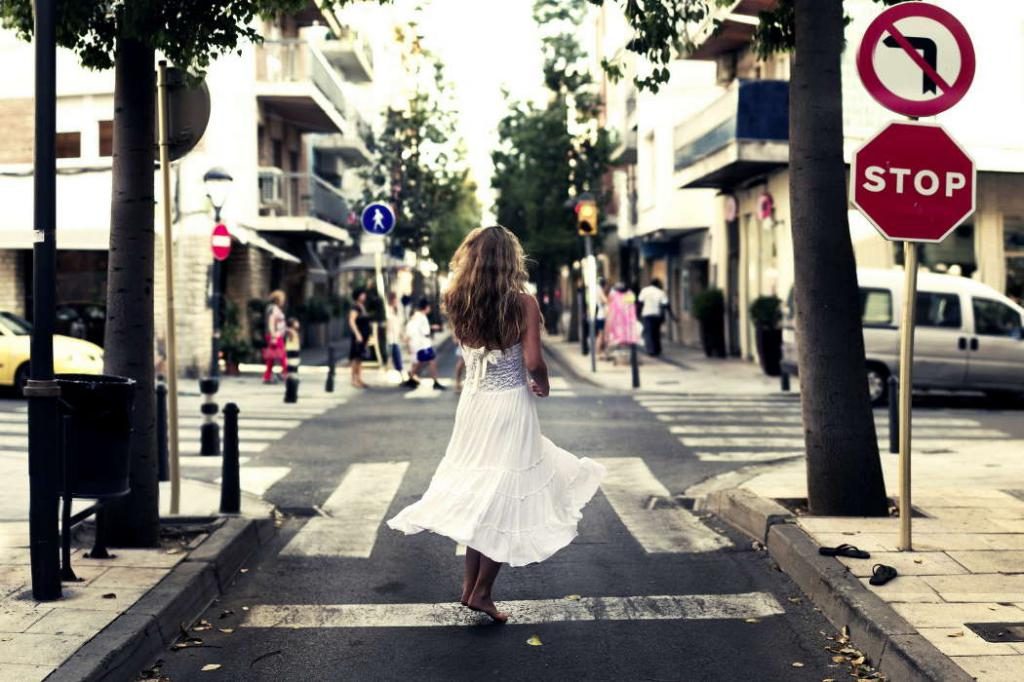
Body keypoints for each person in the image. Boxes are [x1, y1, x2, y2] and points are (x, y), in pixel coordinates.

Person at [387, 225, 606, 623]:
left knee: (486, 489)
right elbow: (535, 362)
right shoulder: (522, 303)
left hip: (473, 404)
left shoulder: (457, 299)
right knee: (506, 492)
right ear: (511, 259)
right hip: (509, 405)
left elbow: (469, 354)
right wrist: (542, 383)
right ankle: (483, 591)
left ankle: (470, 588)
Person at [403, 298, 445, 390]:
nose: (429, 309)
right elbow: (425, 332)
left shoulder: (415, 317)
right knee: (431, 361)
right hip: (424, 345)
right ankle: (435, 382)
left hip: (417, 344)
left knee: (420, 362)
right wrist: (433, 328)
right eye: (429, 307)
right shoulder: (423, 318)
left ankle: (411, 377)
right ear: (426, 307)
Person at [638, 278, 672, 356]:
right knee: (656, 332)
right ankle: (657, 349)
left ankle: (651, 350)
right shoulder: (660, 292)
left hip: (646, 314)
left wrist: (638, 313)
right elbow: (666, 304)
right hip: (656, 314)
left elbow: (640, 302)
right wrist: (672, 316)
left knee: (648, 332)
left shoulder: (644, 290)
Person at [385, 292, 412, 383]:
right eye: (395, 299)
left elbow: (399, 326)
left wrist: (402, 336)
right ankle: (398, 375)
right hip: (390, 338)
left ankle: (400, 375)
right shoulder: (387, 310)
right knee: (392, 357)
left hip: (395, 338)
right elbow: (388, 325)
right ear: (392, 300)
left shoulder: (396, 311)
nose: (396, 301)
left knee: (396, 357)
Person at [262, 290, 288, 384]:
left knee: (271, 358)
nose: (283, 300)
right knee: (282, 356)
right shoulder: (273, 308)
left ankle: (267, 377)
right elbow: (271, 321)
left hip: (275, 335)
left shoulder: (274, 308)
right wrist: (274, 335)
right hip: (275, 336)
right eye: (282, 298)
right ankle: (285, 375)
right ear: (278, 299)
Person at [348, 289, 372, 388]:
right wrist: (357, 334)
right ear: (358, 296)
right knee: (355, 358)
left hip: (364, 336)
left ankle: (359, 378)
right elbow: (351, 321)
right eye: (362, 294)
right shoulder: (355, 308)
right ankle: (354, 380)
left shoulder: (362, 307)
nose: (364, 296)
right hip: (358, 337)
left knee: (360, 358)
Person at [605, 281, 638, 350]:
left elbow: (630, 308)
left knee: (619, 337)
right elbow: (631, 308)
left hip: (619, 319)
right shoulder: (628, 294)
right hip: (622, 320)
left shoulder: (615, 294)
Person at [595, 278, 610, 355]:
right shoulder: (599, 290)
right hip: (602, 316)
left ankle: (600, 352)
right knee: (601, 336)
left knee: (601, 336)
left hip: (601, 316)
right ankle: (598, 352)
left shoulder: (598, 290)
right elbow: (605, 301)